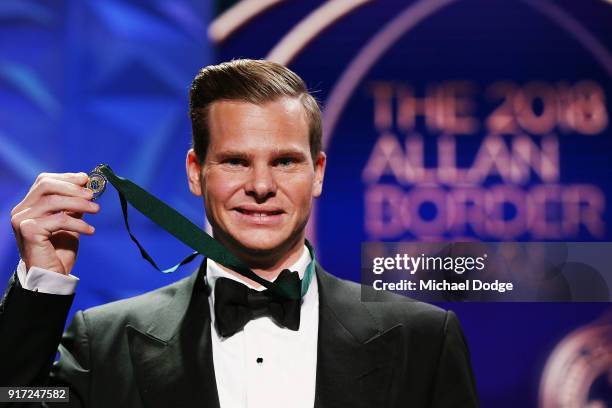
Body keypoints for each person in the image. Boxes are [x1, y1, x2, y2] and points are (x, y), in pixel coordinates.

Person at [0, 59, 478, 407]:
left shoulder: (424, 341)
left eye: (285, 161)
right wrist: (43, 284)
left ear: (318, 173)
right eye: (235, 161)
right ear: (195, 172)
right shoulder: (105, 342)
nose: (261, 186)